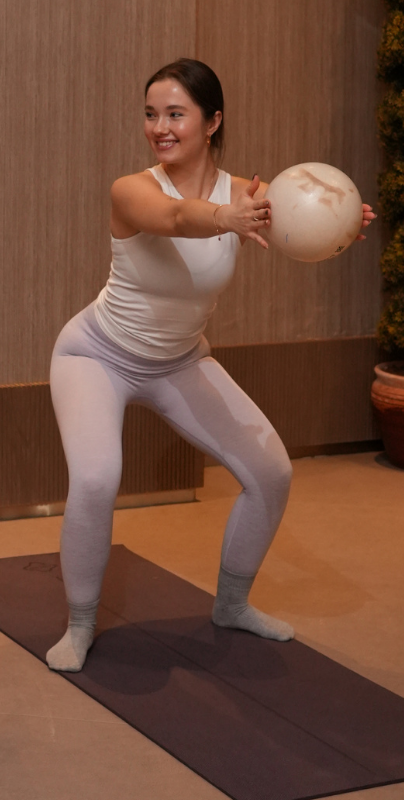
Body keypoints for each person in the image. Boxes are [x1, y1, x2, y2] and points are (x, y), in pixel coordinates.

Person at [46, 58, 375, 673]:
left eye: (176, 114)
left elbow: (301, 220)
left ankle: (232, 604)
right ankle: (81, 624)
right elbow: (175, 219)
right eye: (151, 114)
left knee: (271, 472)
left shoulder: (248, 195)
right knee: (95, 479)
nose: (159, 128)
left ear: (212, 120)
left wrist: (337, 223)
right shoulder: (132, 190)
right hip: (96, 355)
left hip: (179, 360)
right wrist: (226, 217)